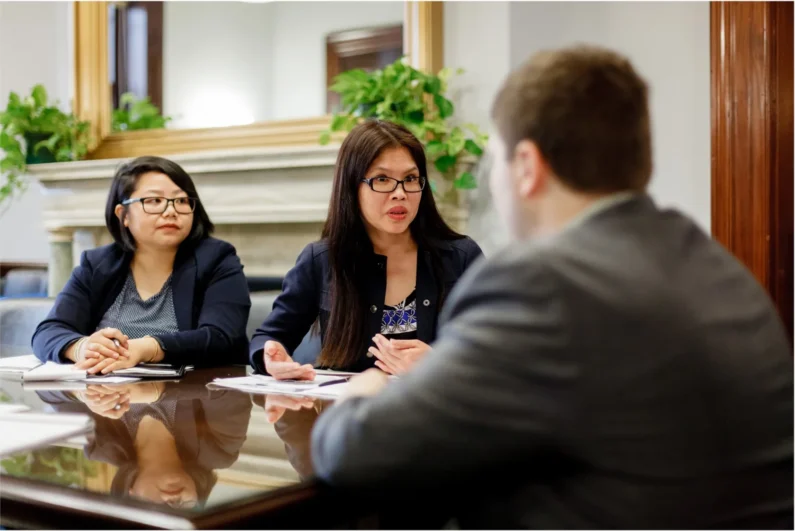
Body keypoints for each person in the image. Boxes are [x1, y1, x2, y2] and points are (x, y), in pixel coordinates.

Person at [310, 45, 794, 528]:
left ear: (526, 166)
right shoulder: (718, 269)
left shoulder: (542, 284)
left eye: (492, 160)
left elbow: (355, 453)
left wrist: (368, 385)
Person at [249, 120, 483, 379]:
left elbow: (499, 348)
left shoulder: (461, 258)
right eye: (382, 179)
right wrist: (272, 355)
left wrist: (441, 361)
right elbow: (270, 336)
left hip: (434, 411)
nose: (400, 193)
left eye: (410, 179)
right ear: (352, 186)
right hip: (349, 410)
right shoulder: (322, 259)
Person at [32, 156, 251, 373]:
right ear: (123, 215)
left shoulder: (217, 259)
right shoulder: (97, 265)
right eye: (154, 201)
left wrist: (148, 348)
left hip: (193, 399)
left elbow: (222, 337)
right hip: (107, 399)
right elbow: (49, 331)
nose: (171, 211)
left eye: (182, 201)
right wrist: (82, 348)